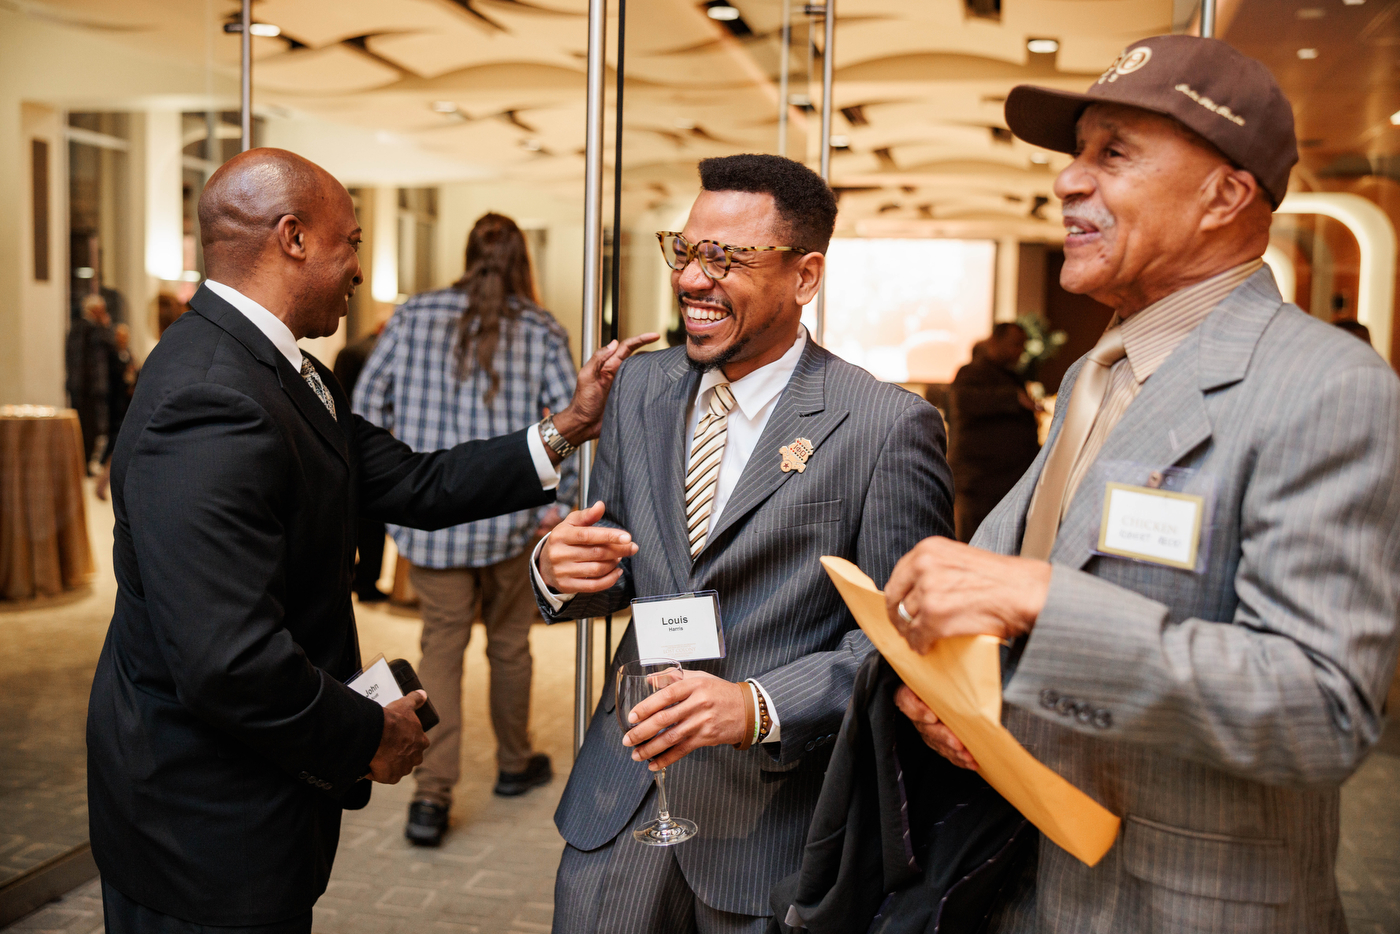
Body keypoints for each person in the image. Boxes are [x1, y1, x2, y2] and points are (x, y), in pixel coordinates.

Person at [884, 36, 1400, 933]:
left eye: (1113, 153)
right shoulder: (1101, 370)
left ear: (1225, 195)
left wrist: (1042, 601)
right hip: (1021, 878)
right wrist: (952, 683)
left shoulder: (1327, 385)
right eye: (1077, 153)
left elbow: (1323, 709)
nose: (1068, 181)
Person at [86, 147, 654, 934]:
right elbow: (228, 661)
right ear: (293, 238)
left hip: (252, 805)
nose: (360, 266)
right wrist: (366, 738)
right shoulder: (210, 397)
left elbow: (417, 484)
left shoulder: (285, 369)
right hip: (200, 820)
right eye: (350, 241)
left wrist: (568, 428)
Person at [534, 153, 954, 933]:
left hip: (775, 825)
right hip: (622, 796)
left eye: (726, 258)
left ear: (805, 276)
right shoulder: (639, 389)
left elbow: (907, 642)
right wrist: (559, 571)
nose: (694, 279)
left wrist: (757, 705)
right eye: (686, 251)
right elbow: (617, 558)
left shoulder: (884, 427)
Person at [355, 212, 581, 846]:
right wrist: (558, 505)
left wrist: (402, 477)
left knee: (440, 653)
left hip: (431, 524)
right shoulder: (540, 328)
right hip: (511, 525)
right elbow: (574, 422)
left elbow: (366, 410)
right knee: (510, 646)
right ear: (521, 262)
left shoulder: (412, 315)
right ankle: (514, 765)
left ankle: (430, 798)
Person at [948, 322, 1040, 542]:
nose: (1019, 352)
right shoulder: (970, 372)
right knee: (975, 544)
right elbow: (964, 402)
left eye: (1022, 346)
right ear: (994, 342)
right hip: (979, 481)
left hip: (1007, 481)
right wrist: (1013, 398)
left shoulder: (1010, 375)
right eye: (1014, 344)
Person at [334, 321, 391, 603]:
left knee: (349, 516)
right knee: (372, 520)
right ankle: (367, 581)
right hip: (370, 437)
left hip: (344, 435)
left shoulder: (348, 350)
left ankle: (354, 578)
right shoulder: (374, 353)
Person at [65, 293, 113, 472]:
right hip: (87, 389)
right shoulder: (90, 328)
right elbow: (108, 346)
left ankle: (83, 464)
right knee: (87, 429)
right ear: (95, 310)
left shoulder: (78, 327)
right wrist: (105, 327)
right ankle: (83, 465)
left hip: (82, 388)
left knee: (89, 429)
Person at [94, 323, 137, 501]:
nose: (122, 339)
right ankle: (101, 483)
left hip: (127, 406)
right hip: (115, 406)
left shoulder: (129, 356)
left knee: (120, 446)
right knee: (116, 445)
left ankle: (103, 484)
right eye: (119, 336)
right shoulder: (112, 356)